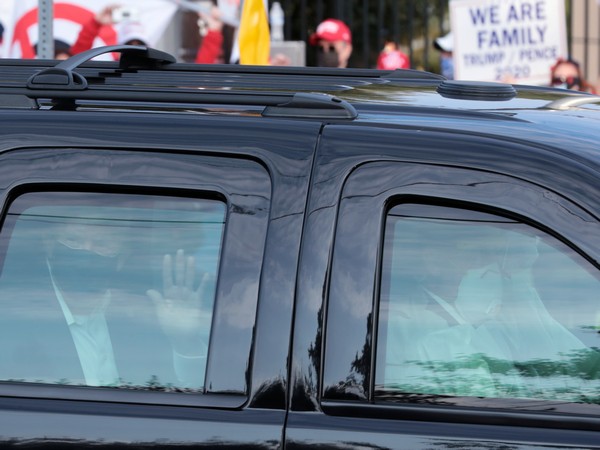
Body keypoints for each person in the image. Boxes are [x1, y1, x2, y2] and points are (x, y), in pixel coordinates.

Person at [0, 204, 212, 389]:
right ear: (49, 245)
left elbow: (185, 399)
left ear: (121, 258)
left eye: (101, 244)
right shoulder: (12, 318)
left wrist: (185, 341)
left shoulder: (143, 320)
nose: (86, 251)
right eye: (73, 240)